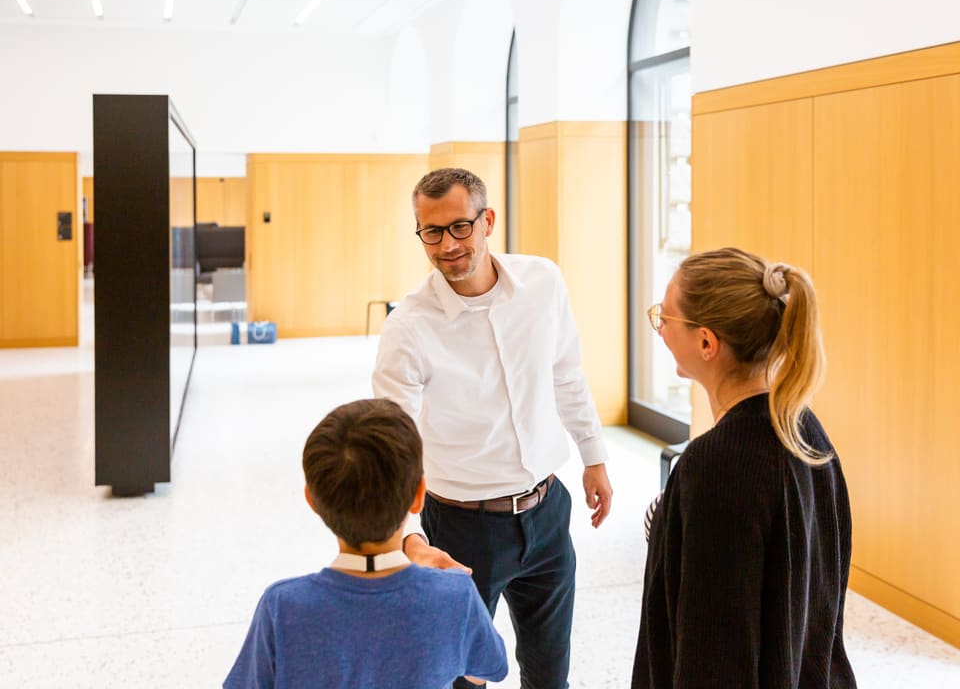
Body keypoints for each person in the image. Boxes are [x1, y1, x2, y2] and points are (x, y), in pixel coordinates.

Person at [373, 167, 613, 689]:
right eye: (431, 232)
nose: (446, 245)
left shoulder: (543, 282)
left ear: (488, 221)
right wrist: (406, 539)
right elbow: (392, 445)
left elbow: (565, 372)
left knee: (551, 675)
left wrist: (593, 457)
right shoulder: (408, 328)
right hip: (462, 531)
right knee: (460, 677)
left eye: (460, 227)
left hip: (548, 512)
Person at [632, 247, 857, 688]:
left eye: (667, 317)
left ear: (706, 342)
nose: (659, 328)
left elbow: (714, 651)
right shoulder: (804, 428)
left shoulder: (716, 465)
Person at [224, 398, 508, 689]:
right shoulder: (455, 595)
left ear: (313, 501)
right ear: (419, 496)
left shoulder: (282, 607)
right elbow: (486, 671)